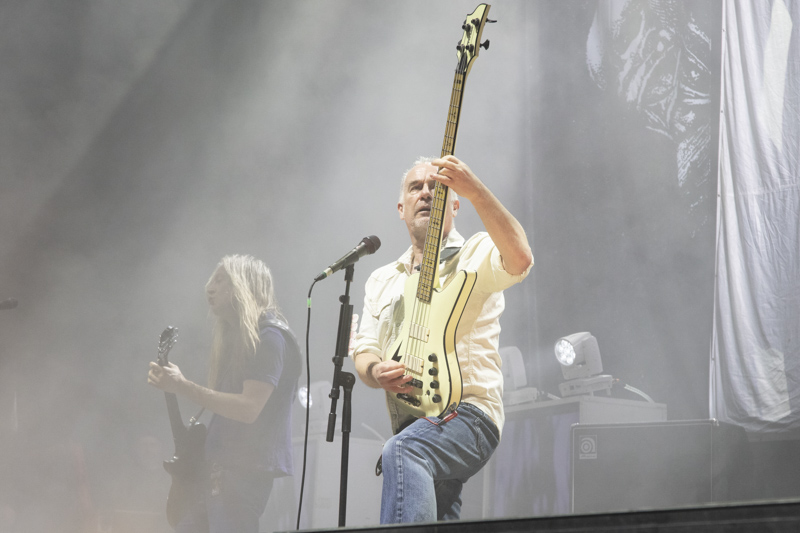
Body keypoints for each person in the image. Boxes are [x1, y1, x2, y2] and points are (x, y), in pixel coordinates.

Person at [352, 155, 533, 523]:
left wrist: (477, 191)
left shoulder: (475, 253)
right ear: (401, 209)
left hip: (470, 414)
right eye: (415, 188)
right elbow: (365, 349)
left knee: (402, 452)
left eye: (437, 187)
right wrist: (375, 371)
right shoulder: (382, 279)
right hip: (416, 420)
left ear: (455, 205)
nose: (426, 193)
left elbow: (520, 259)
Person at [147, 254, 301, 533]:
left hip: (242, 471)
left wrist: (182, 385)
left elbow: (248, 408)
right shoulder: (241, 340)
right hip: (219, 467)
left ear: (246, 285)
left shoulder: (269, 337)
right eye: (212, 279)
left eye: (221, 280)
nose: (210, 287)